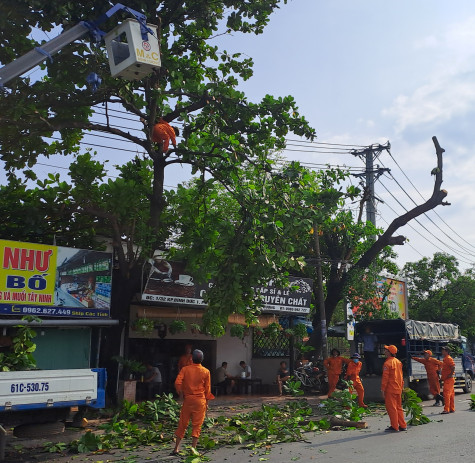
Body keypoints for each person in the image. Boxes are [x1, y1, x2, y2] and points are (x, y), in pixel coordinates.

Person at [172, 349, 214, 455]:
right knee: (197, 425)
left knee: (183, 423)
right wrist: (207, 403)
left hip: (188, 400)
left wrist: (180, 393)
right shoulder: (206, 371)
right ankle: (193, 449)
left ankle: (176, 448)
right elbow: (208, 389)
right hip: (200, 401)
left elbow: (177, 382)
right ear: (202, 359)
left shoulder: (185, 369)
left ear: (192, 359)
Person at [381, 345, 407, 432]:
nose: (385, 351)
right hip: (398, 388)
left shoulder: (387, 363)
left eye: (386, 350)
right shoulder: (398, 362)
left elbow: (385, 378)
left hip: (390, 388)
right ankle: (403, 425)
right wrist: (402, 387)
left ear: (389, 352)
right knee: (398, 407)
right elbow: (401, 376)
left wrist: (382, 389)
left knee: (391, 408)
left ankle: (394, 426)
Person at [440, 346, 455, 414]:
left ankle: (446, 409)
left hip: (449, 379)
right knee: (451, 394)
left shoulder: (448, 358)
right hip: (448, 379)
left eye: (443, 350)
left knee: (446, 394)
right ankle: (451, 408)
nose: (442, 351)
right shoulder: (445, 358)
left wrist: (450, 374)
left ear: (446, 351)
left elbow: (453, 367)